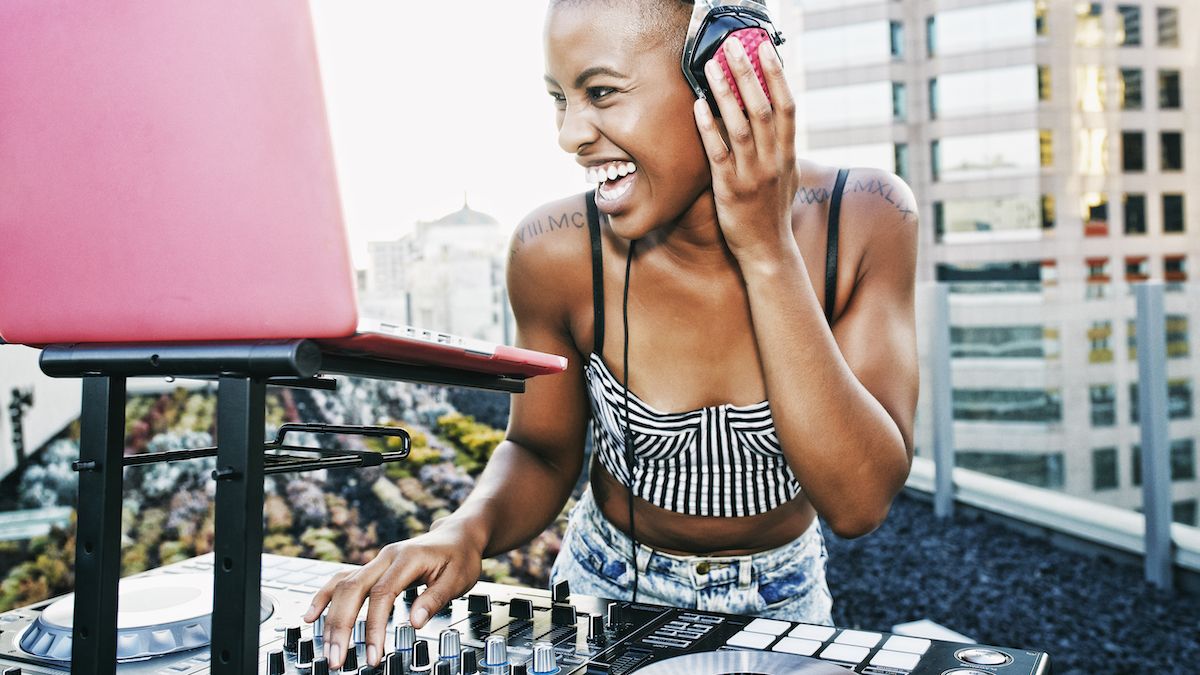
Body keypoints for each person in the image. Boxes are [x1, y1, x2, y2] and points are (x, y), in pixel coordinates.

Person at [306, 0, 919, 669]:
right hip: (602, 587)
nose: (570, 135)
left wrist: (766, 249)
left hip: (783, 599)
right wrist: (463, 530)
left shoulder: (865, 219)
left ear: (724, 84)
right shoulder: (554, 252)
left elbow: (860, 501)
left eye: (600, 93)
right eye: (558, 99)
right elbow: (540, 450)